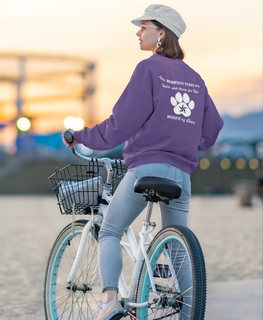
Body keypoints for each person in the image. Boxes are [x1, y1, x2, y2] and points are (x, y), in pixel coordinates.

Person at [63, 4, 223, 320]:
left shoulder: (148, 70)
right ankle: (191, 312)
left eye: (143, 26)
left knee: (110, 231)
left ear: (161, 33)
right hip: (182, 175)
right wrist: (189, 143)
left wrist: (80, 136)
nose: (138, 32)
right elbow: (213, 126)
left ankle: (109, 302)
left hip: (146, 168)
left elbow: (118, 127)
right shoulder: (195, 78)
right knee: (177, 246)